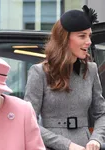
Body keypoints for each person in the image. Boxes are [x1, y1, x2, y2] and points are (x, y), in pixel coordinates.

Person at [24, 5, 105, 150]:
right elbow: (28, 121)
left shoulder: (91, 70)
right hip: (51, 146)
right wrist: (67, 145)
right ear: (65, 38)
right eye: (82, 36)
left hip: (85, 145)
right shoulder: (39, 72)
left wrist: (97, 139)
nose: (89, 41)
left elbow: (101, 113)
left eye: (89, 36)